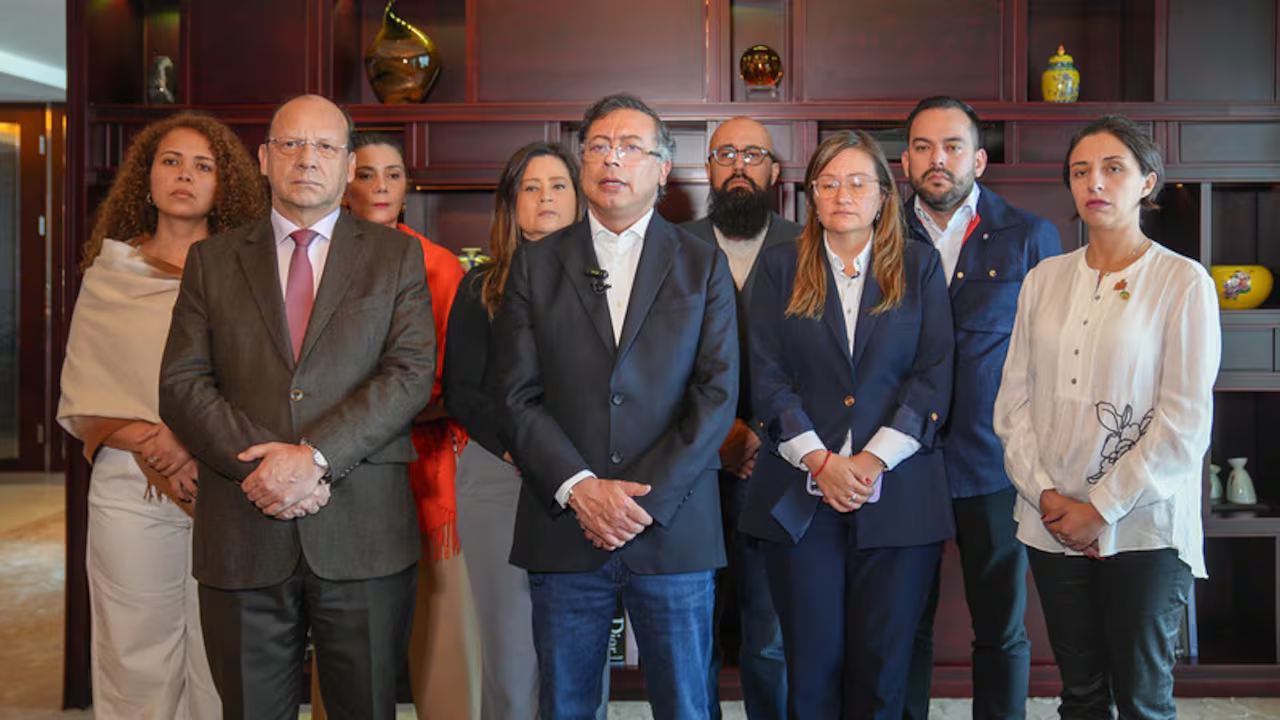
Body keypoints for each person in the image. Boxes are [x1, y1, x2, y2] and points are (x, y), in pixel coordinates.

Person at [159, 94, 435, 720]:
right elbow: (182, 383)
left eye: (325, 147)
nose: (307, 159)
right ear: (264, 158)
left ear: (348, 165)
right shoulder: (212, 260)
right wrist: (265, 468)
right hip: (243, 529)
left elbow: (409, 375)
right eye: (291, 144)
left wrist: (313, 457)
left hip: (362, 534)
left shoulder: (396, 256)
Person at [491, 94, 739, 720]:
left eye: (630, 147)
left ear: (663, 168)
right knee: (567, 705)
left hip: (674, 526)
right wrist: (581, 489)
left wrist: (636, 502)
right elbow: (516, 395)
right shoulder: (536, 263)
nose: (612, 159)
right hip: (565, 526)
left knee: (686, 705)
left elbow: (716, 395)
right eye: (598, 147)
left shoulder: (703, 264)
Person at [994, 115, 1219, 720]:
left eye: (1113, 168)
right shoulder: (1044, 279)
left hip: (1144, 527)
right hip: (1052, 520)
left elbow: (1184, 423)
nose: (1094, 182)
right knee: (1082, 694)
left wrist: (1100, 510)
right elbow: (1013, 404)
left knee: (1142, 700)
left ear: (1147, 182)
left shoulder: (1182, 282)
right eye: (1080, 171)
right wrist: (1048, 498)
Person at [58, 111, 266, 720]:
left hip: (226, 480)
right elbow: (85, 390)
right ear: (145, 179)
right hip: (130, 483)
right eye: (171, 161)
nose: (185, 175)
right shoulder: (110, 272)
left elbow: (262, 378)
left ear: (223, 185)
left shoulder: (246, 273)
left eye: (203, 165)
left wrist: (191, 439)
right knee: (132, 653)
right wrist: (158, 444)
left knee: (218, 653)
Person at [742, 130, 955, 719]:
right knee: (810, 674)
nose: (843, 195)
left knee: (882, 676)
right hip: (799, 499)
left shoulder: (919, 265)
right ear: (811, 195)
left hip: (900, 498)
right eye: (829, 183)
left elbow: (933, 375)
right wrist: (821, 462)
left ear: (884, 195)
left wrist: (870, 460)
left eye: (858, 182)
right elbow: (766, 376)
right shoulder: (780, 266)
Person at [898, 96, 1061, 720]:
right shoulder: (879, 231)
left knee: (1000, 628)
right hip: (900, 462)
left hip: (993, 466)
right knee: (902, 628)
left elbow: (1053, 358)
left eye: (952, 146)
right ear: (905, 161)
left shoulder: (1029, 236)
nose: (937, 159)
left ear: (979, 160)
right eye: (922, 147)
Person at [307, 131, 479, 719]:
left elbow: (458, 381)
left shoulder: (441, 265)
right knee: (343, 639)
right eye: (366, 174)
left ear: (409, 188)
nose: (380, 186)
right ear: (343, 184)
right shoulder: (315, 260)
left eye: (393, 174)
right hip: (337, 468)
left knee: (443, 634)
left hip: (427, 467)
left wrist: (383, 416)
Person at [445, 141, 614, 720]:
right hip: (502, 477)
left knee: (580, 652)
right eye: (531, 187)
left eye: (558, 185)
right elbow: (462, 390)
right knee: (512, 654)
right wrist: (529, 449)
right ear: (511, 206)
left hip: (587, 482)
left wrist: (569, 464)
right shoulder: (480, 287)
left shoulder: (608, 283)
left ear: (580, 199)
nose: (545, 197)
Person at [681, 116, 798, 720]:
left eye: (753, 155)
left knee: (770, 635)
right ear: (708, 168)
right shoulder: (671, 246)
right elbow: (648, 361)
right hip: (690, 469)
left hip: (779, 467)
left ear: (774, 171)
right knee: (693, 631)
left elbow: (825, 362)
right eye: (725, 153)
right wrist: (719, 433)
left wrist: (763, 435)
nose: (739, 166)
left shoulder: (808, 246)